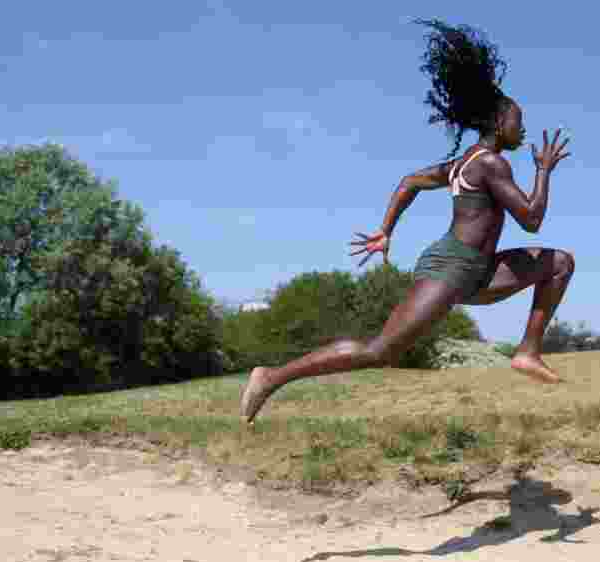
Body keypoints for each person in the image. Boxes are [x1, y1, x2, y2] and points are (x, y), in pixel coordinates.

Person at [240, 19, 574, 425]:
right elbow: (532, 219)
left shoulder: (463, 163)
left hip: (478, 270)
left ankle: (527, 352)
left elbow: (410, 182)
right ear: (497, 123)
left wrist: (386, 229)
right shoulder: (489, 163)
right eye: (517, 121)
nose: (521, 129)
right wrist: (543, 171)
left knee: (558, 264)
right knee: (381, 351)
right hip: (451, 267)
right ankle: (271, 377)